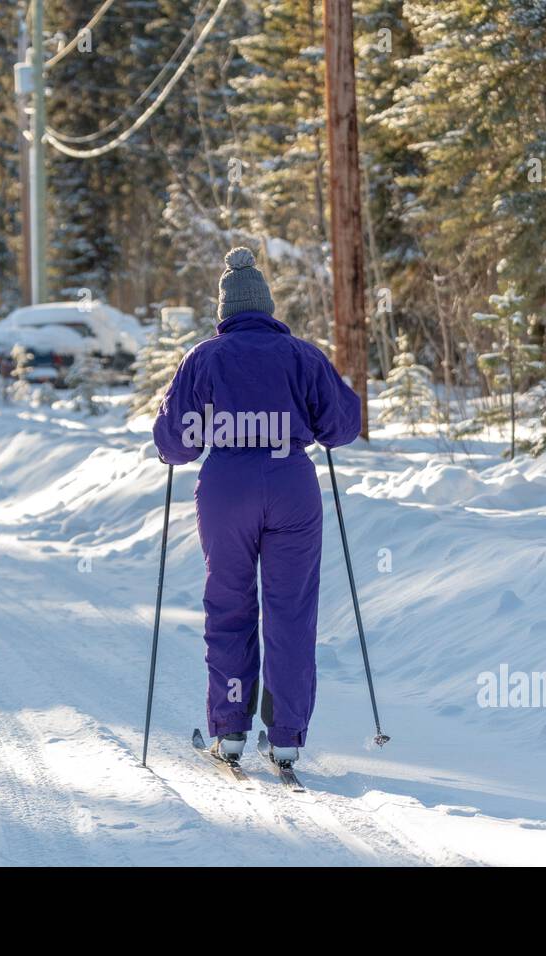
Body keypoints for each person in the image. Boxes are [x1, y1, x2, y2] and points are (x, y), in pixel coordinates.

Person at [152, 246, 362, 768]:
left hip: (227, 488)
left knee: (230, 606)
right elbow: (341, 427)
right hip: (291, 484)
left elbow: (175, 444)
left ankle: (229, 731)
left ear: (225, 312)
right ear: (267, 309)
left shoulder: (204, 358)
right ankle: (287, 734)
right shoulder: (303, 356)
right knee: (291, 611)